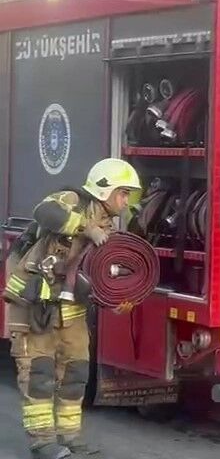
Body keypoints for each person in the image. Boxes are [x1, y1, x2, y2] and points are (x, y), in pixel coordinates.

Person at [3, 158, 142, 459]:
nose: (126, 200)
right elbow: (44, 212)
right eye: (123, 192)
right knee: (39, 374)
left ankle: (69, 437)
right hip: (34, 306)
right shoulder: (72, 200)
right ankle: (43, 442)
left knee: (75, 374)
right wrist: (85, 228)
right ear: (104, 189)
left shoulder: (109, 227)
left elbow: (99, 275)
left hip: (72, 312)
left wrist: (116, 300)